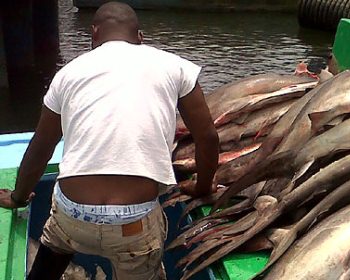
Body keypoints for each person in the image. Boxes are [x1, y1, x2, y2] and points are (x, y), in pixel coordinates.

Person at [0, 2, 219, 279]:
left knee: (57, 241)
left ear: (94, 34)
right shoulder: (176, 66)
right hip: (134, 222)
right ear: (140, 37)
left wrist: (18, 197)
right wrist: (201, 187)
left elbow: (41, 148)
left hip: (73, 214)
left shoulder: (67, 74)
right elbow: (208, 138)